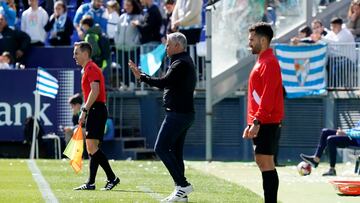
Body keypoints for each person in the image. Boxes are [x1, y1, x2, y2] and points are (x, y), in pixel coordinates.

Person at [129, 32, 196, 202]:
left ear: (177, 46)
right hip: (184, 114)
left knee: (161, 148)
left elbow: (163, 82)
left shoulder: (180, 62)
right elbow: (166, 83)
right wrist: (143, 77)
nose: (165, 47)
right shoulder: (181, 61)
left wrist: (142, 77)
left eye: (168, 44)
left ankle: (182, 185)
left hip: (178, 114)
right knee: (176, 153)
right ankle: (182, 193)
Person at [243, 22, 284, 203]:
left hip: (266, 121)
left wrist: (257, 121)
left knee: (265, 162)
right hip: (262, 121)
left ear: (263, 40)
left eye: (252, 40)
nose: (249, 43)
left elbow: (267, 95)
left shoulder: (269, 62)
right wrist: (252, 121)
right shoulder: (263, 61)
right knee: (262, 161)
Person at [72, 41, 120, 191]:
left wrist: (84, 110)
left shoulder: (91, 68)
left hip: (96, 110)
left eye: (76, 53)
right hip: (95, 109)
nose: (74, 56)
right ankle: (91, 182)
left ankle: (112, 177)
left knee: (92, 147)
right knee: (91, 147)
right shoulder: (88, 68)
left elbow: (95, 90)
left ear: (85, 54)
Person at [114, 0, 142, 87]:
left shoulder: (139, 17)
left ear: (134, 6)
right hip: (121, 47)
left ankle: (132, 84)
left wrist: (134, 43)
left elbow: (139, 33)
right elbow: (117, 30)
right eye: (126, 5)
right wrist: (117, 42)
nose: (128, 7)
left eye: (130, 5)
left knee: (132, 67)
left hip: (132, 48)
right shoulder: (122, 17)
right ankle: (125, 84)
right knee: (123, 67)